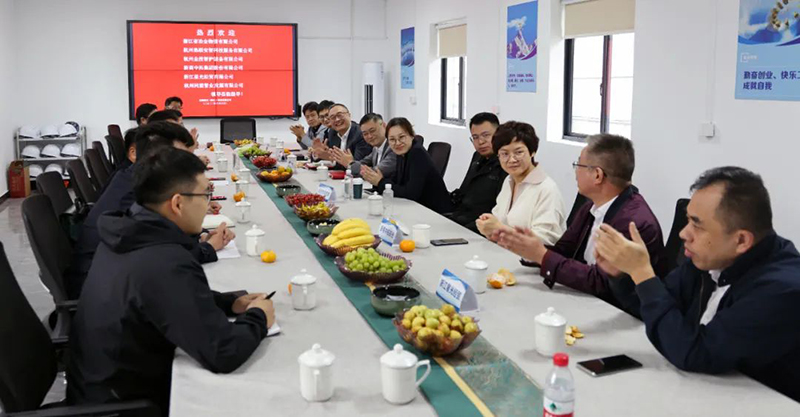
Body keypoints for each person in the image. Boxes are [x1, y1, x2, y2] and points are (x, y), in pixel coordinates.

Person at [67, 147, 275, 414]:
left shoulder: (128, 232)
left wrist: (229, 302)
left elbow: (164, 296)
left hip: (98, 388)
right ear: (177, 204)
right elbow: (223, 352)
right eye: (205, 194)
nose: (209, 203)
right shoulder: (165, 259)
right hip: (123, 406)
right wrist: (259, 317)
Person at [593, 167, 800, 401]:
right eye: (688, 220)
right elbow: (658, 312)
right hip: (701, 390)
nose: (683, 233)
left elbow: (695, 353)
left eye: (697, 225)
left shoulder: (782, 290)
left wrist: (642, 273)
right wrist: (623, 275)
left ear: (741, 240)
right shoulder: (709, 258)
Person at [494, 134, 663, 317]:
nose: (575, 172)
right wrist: (527, 247)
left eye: (578, 165)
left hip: (620, 315)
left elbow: (601, 282)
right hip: (586, 301)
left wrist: (542, 255)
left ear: (597, 175)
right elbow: (565, 250)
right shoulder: (591, 206)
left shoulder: (631, 223)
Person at [68, 122, 229, 299]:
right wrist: (208, 248)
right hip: (102, 291)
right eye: (178, 158)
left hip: (113, 285)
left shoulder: (135, 179)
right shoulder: (133, 195)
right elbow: (161, 259)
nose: (185, 167)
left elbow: (163, 240)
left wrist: (200, 236)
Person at [476, 121, 565, 245]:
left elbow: (546, 239)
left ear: (532, 152)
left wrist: (500, 229)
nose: (512, 159)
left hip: (528, 256)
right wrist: (488, 225)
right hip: (503, 250)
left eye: (518, 152)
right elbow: (500, 219)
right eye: (504, 154)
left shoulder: (547, 189)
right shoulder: (509, 181)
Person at [362, 117, 453, 214]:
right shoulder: (402, 153)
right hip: (418, 209)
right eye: (392, 139)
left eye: (401, 137)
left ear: (412, 135)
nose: (397, 143)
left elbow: (410, 194)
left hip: (436, 213)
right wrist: (379, 182)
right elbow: (399, 184)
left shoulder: (417, 153)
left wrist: (380, 182)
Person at [447, 112, 507, 234]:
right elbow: (464, 191)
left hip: (480, 228)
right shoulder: (477, 156)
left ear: (499, 134)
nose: (480, 142)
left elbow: (498, 213)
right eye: (475, 137)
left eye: (486, 135)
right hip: (460, 218)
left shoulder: (506, 164)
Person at [330, 113, 396, 178]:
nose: (370, 136)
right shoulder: (375, 149)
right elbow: (362, 163)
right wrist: (346, 161)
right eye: (365, 134)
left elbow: (374, 173)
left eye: (372, 131)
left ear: (384, 126)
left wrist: (350, 163)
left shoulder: (393, 147)